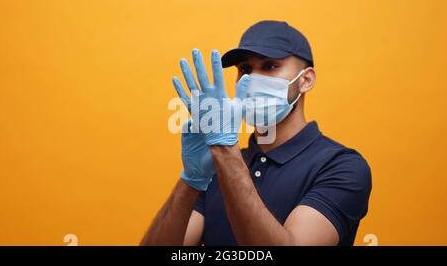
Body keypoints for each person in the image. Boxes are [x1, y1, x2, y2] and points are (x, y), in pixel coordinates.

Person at [141, 20, 372, 246]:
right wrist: (192, 180)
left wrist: (224, 149)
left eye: (270, 66)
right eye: (245, 69)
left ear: (306, 80)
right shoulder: (218, 165)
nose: (252, 79)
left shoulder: (342, 166)